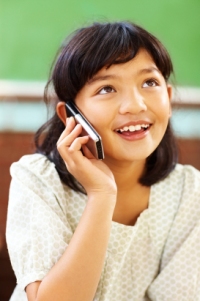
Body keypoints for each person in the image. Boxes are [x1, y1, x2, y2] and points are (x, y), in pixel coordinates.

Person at [6, 21, 200, 301]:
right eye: (107, 89)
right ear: (70, 116)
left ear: (168, 100)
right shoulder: (38, 180)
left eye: (149, 82)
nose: (135, 105)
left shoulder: (188, 192)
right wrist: (101, 195)